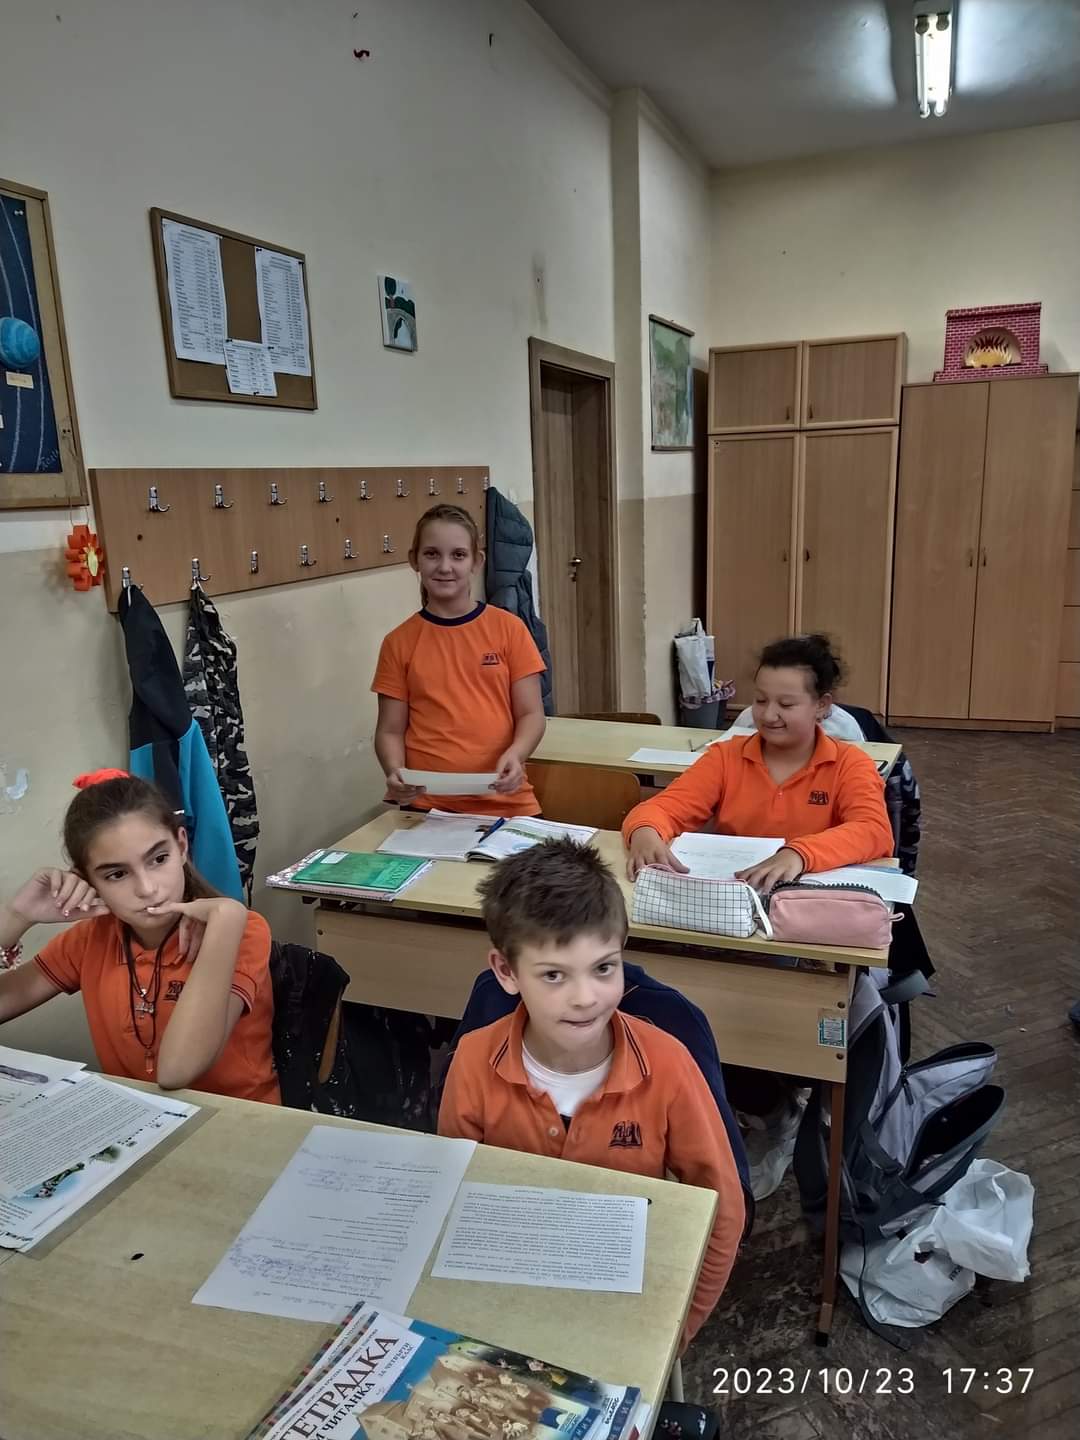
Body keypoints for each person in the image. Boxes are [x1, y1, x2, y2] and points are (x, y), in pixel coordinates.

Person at [438, 839, 744, 1348]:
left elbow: (722, 1211)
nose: (585, 998)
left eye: (604, 968)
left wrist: (675, 1332)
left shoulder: (668, 1065)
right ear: (506, 972)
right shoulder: (473, 1059)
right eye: (554, 975)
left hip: (626, 1307)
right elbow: (455, 1201)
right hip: (506, 1298)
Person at [0, 770, 278, 1102]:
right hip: (142, 1120)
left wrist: (227, 919)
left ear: (182, 846)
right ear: (87, 881)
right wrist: (15, 917)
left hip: (244, 1122)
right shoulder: (91, 939)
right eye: (117, 874)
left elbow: (176, 1071)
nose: (147, 889)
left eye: (159, 859)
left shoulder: (239, 930)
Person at [623, 633, 894, 890]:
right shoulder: (726, 757)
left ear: (821, 706)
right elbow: (663, 808)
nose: (768, 715)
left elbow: (874, 831)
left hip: (807, 900)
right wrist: (645, 831)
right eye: (761, 700)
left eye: (786, 705)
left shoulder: (849, 764)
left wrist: (799, 854)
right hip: (736, 893)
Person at [372, 503, 547, 816]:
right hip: (425, 804)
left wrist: (517, 754)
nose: (445, 567)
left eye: (458, 555)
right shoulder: (398, 642)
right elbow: (390, 730)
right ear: (414, 560)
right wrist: (395, 770)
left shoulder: (509, 629)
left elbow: (531, 714)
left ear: (476, 562)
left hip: (506, 801)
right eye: (431, 554)